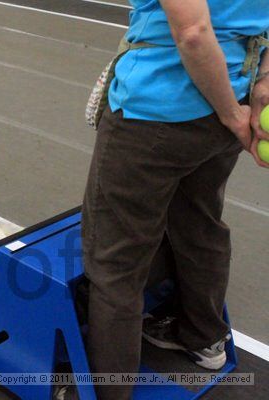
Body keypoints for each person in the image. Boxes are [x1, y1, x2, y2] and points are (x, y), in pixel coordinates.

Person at [81, 1, 269, 399]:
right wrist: (262, 82)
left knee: (116, 264)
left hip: (158, 113)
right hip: (232, 96)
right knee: (199, 221)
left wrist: (231, 115)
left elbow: (193, 33)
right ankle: (203, 339)